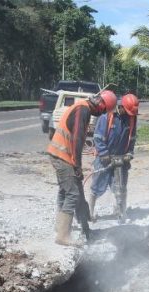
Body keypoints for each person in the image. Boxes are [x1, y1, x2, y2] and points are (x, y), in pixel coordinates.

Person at [49, 90, 117, 246]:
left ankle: (62, 227)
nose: (102, 114)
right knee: (72, 193)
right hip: (63, 155)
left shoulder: (83, 107)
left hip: (59, 153)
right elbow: (77, 138)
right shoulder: (83, 110)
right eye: (104, 110)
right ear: (101, 104)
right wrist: (77, 165)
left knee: (66, 190)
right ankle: (63, 235)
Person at [89, 94, 139, 221]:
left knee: (121, 187)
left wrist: (129, 153)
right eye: (126, 112)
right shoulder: (107, 117)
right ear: (120, 106)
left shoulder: (131, 118)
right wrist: (104, 155)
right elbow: (98, 138)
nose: (129, 115)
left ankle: (121, 212)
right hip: (104, 159)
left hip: (121, 159)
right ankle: (90, 212)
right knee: (96, 186)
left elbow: (132, 139)